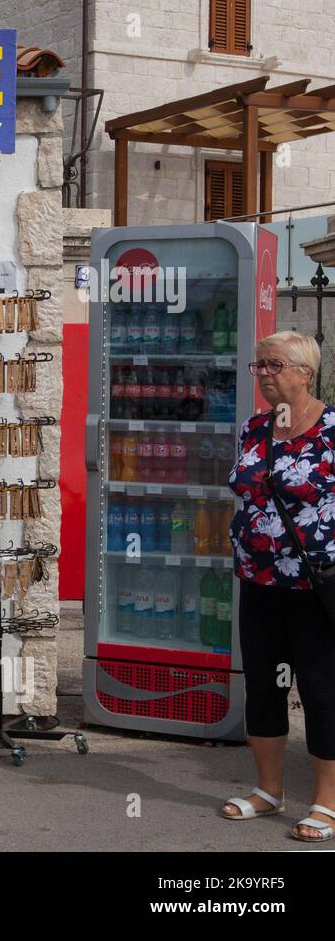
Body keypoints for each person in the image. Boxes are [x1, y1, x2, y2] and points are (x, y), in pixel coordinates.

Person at [220, 330, 335, 842]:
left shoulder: (333, 430)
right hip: (259, 581)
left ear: (306, 373)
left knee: (322, 691)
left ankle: (327, 802)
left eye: (275, 365)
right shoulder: (254, 430)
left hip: (315, 587)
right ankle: (268, 791)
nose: (264, 374)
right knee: (264, 685)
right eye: (258, 365)